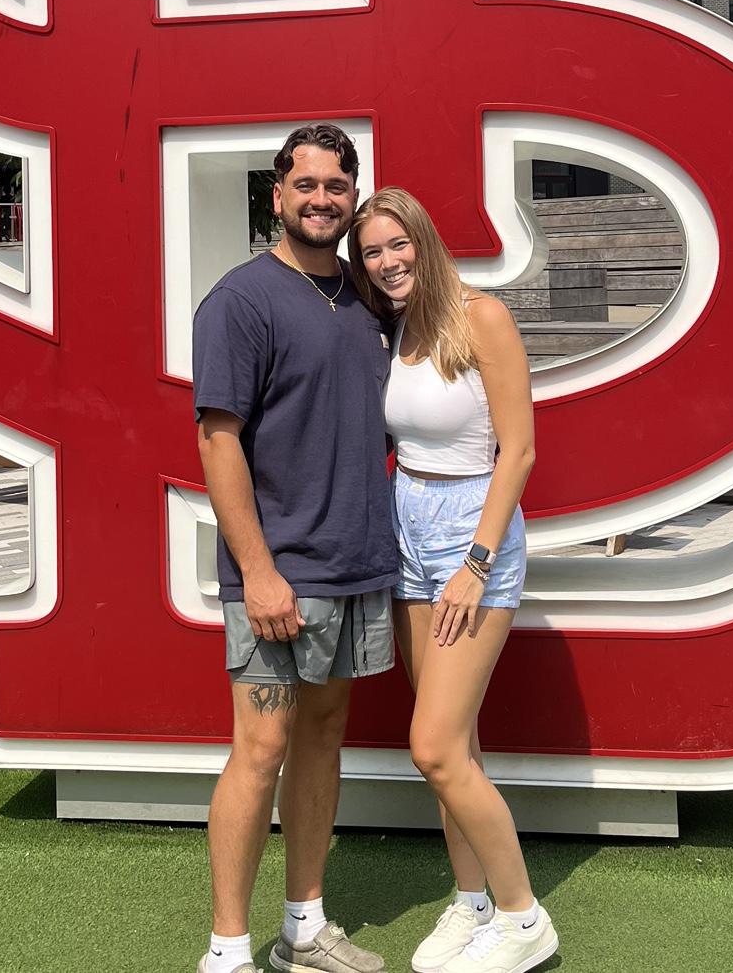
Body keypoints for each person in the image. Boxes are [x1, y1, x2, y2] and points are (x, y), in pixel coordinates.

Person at [192, 123, 393, 973]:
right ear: (276, 196)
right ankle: (227, 949)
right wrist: (259, 570)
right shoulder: (240, 300)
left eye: (337, 187)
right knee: (262, 748)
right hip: (278, 575)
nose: (322, 200)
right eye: (305, 185)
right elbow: (217, 440)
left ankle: (303, 928)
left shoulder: (368, 295)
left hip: (356, 562)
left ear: (354, 197)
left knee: (324, 736)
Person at [349, 188, 558, 973]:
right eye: (372, 252)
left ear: (424, 240)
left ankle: (522, 916)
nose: (388, 261)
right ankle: (471, 903)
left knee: (432, 747)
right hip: (409, 524)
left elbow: (520, 450)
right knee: (456, 745)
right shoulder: (396, 326)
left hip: (473, 533)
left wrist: (476, 562)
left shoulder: (483, 317)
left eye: (397, 245)